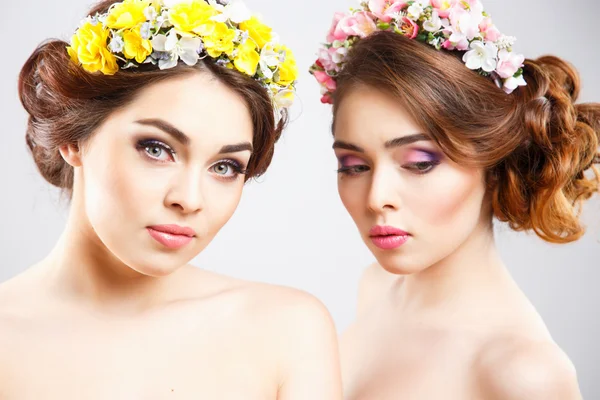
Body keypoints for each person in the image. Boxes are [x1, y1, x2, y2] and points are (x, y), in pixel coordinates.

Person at [0, 0, 342, 398]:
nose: (190, 199)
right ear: (72, 138)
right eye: (156, 148)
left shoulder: (287, 331)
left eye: (225, 166)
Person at [310, 0, 599, 398]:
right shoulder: (374, 288)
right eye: (354, 165)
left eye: (419, 163)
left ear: (493, 164)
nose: (377, 198)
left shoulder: (525, 373)